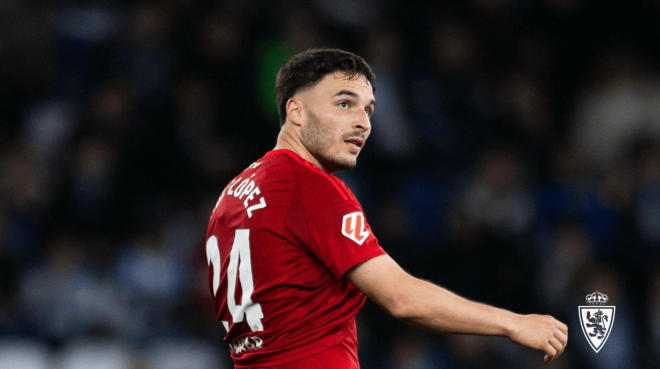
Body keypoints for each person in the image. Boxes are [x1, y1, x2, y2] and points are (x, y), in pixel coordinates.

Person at [205, 48, 568, 368]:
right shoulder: (312, 188)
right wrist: (514, 323)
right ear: (296, 111)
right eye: (344, 103)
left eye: (368, 109)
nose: (363, 122)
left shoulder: (232, 195)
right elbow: (403, 299)